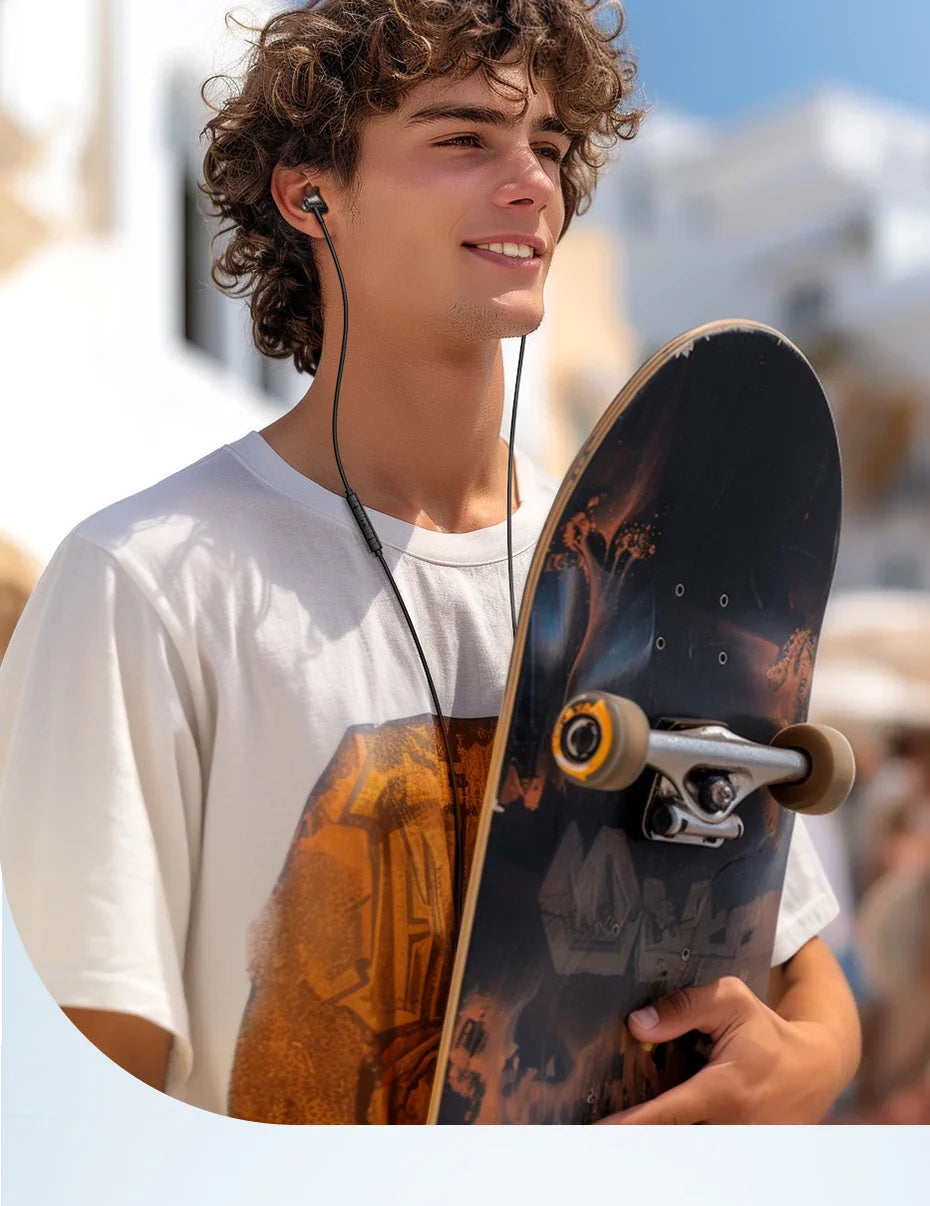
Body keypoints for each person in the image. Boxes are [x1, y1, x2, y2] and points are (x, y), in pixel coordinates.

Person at [0, 0, 859, 1124]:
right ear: (312, 195)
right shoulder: (148, 582)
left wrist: (804, 1069)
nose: (532, 183)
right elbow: (78, 1100)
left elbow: (804, 984)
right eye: (463, 140)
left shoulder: (632, 573)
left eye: (548, 146)